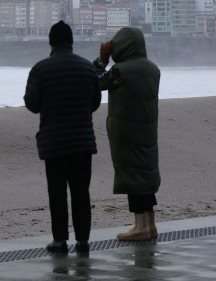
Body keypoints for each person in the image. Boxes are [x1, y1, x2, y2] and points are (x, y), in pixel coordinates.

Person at [23, 20, 101, 254]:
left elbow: (32, 104)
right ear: (71, 42)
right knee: (81, 192)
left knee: (56, 192)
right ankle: (83, 241)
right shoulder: (88, 68)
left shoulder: (41, 69)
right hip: (82, 142)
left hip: (54, 142)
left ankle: (59, 240)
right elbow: (95, 104)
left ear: (51, 42)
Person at [94, 26, 161, 241]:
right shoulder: (152, 69)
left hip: (126, 132)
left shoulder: (121, 70)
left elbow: (93, 82)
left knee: (133, 177)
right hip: (147, 129)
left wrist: (102, 60)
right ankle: (150, 225)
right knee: (145, 175)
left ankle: (140, 226)